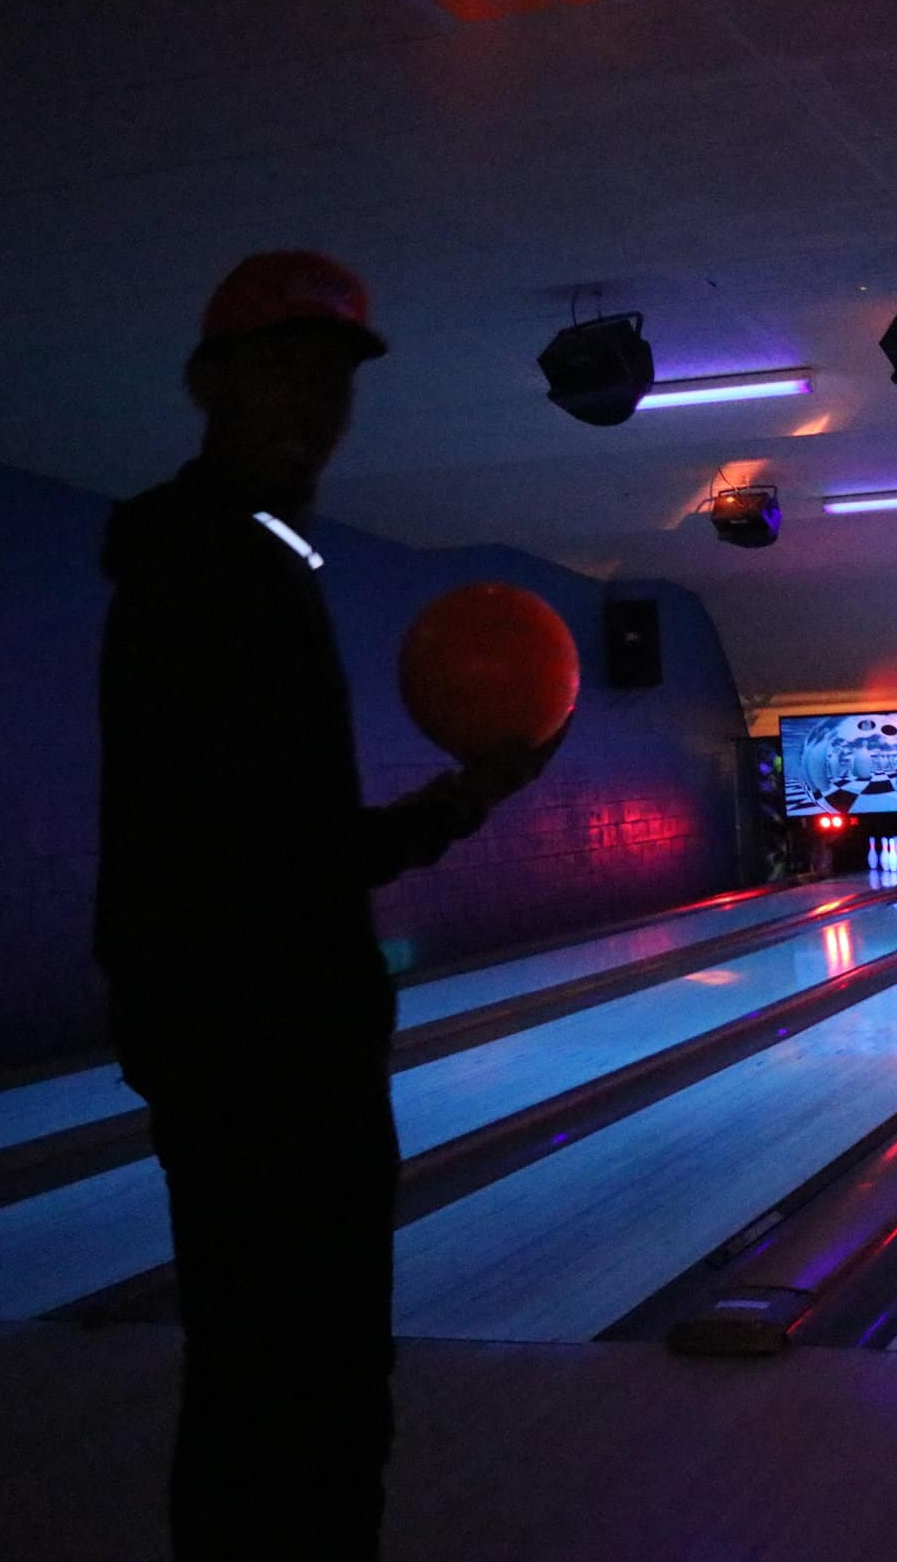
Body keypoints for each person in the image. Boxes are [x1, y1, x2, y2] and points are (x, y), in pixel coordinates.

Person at [94, 251, 563, 1560]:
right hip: (261, 1042)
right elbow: (270, 848)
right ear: (209, 384)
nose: (310, 396)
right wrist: (461, 806)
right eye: (276, 366)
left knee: (273, 1375)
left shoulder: (245, 556)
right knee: (302, 1382)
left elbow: (265, 839)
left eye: (331, 372)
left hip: (250, 1029)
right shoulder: (212, 569)